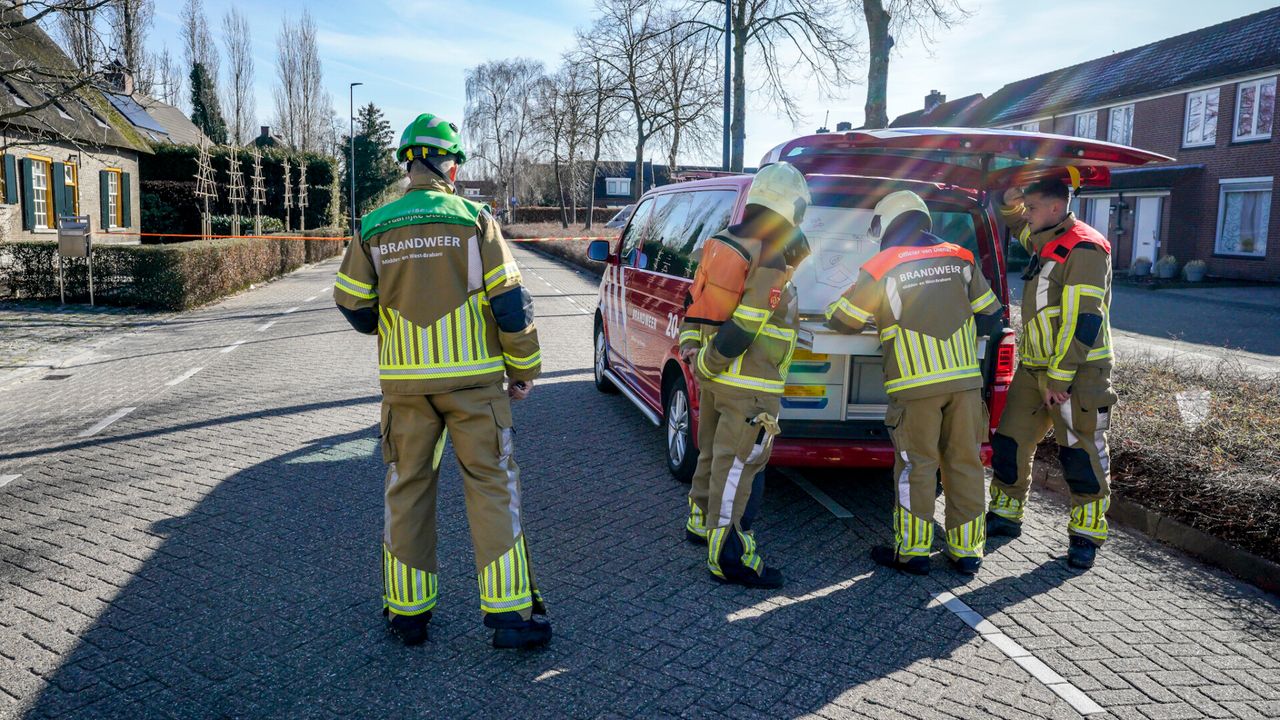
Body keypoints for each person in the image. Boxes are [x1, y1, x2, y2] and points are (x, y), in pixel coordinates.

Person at [333, 112, 551, 648]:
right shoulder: (475, 220)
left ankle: (408, 617)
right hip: (475, 386)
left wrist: (394, 315)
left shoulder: (374, 225)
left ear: (410, 164)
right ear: (442, 161)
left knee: (407, 489)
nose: (455, 169)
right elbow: (511, 304)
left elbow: (353, 303)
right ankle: (511, 617)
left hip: (405, 389)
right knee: (492, 486)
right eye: (455, 159)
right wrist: (524, 369)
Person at [825, 190, 1003, 575]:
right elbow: (991, 315)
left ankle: (914, 551)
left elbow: (844, 320)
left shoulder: (882, 264)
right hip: (964, 384)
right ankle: (967, 552)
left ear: (887, 224)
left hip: (915, 386)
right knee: (964, 464)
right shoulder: (961, 257)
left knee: (916, 466)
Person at [678, 161, 811, 589]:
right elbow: (750, 320)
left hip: (718, 383)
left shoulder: (720, 242)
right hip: (750, 385)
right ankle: (730, 557)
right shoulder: (769, 254)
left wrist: (694, 353)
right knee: (739, 468)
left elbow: (694, 302)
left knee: (712, 457)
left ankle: (701, 524)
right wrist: (711, 360)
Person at [987, 178, 1116, 571]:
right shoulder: (1045, 238)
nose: (1027, 215)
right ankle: (1006, 515)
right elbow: (1016, 225)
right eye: (1026, 208)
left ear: (1056, 208)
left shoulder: (1086, 247)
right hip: (1035, 367)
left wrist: (1060, 378)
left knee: (1080, 452)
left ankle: (1086, 535)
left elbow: (1084, 320)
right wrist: (1009, 200)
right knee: (1010, 441)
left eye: (1033, 208)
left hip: (1078, 374)